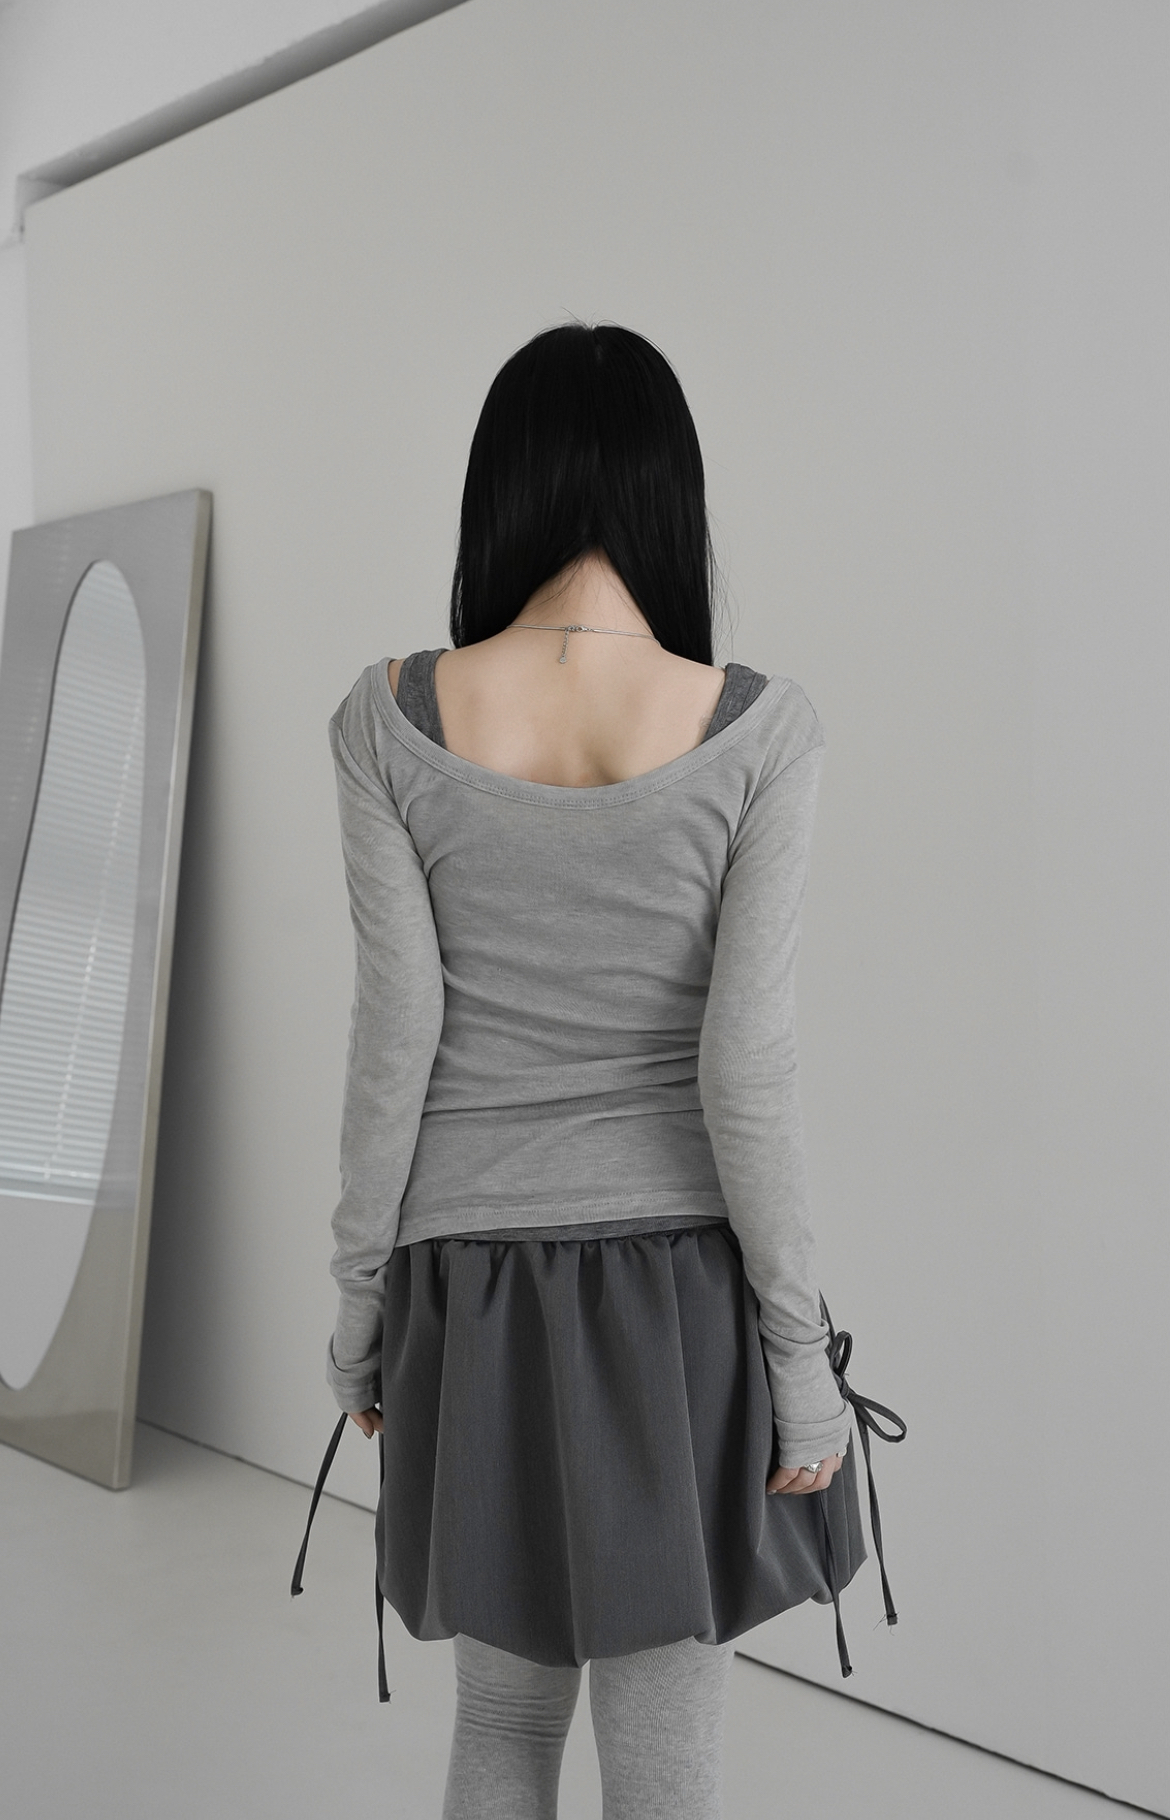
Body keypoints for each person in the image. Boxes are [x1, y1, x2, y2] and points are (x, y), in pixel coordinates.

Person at [324, 323, 854, 1819]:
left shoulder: (385, 718)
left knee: (500, 1717)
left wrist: (360, 1308)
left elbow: (394, 1042)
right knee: (664, 1745)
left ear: (500, 487)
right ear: (671, 492)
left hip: (467, 1284)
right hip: (676, 1297)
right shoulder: (760, 728)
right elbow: (745, 1070)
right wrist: (799, 1356)